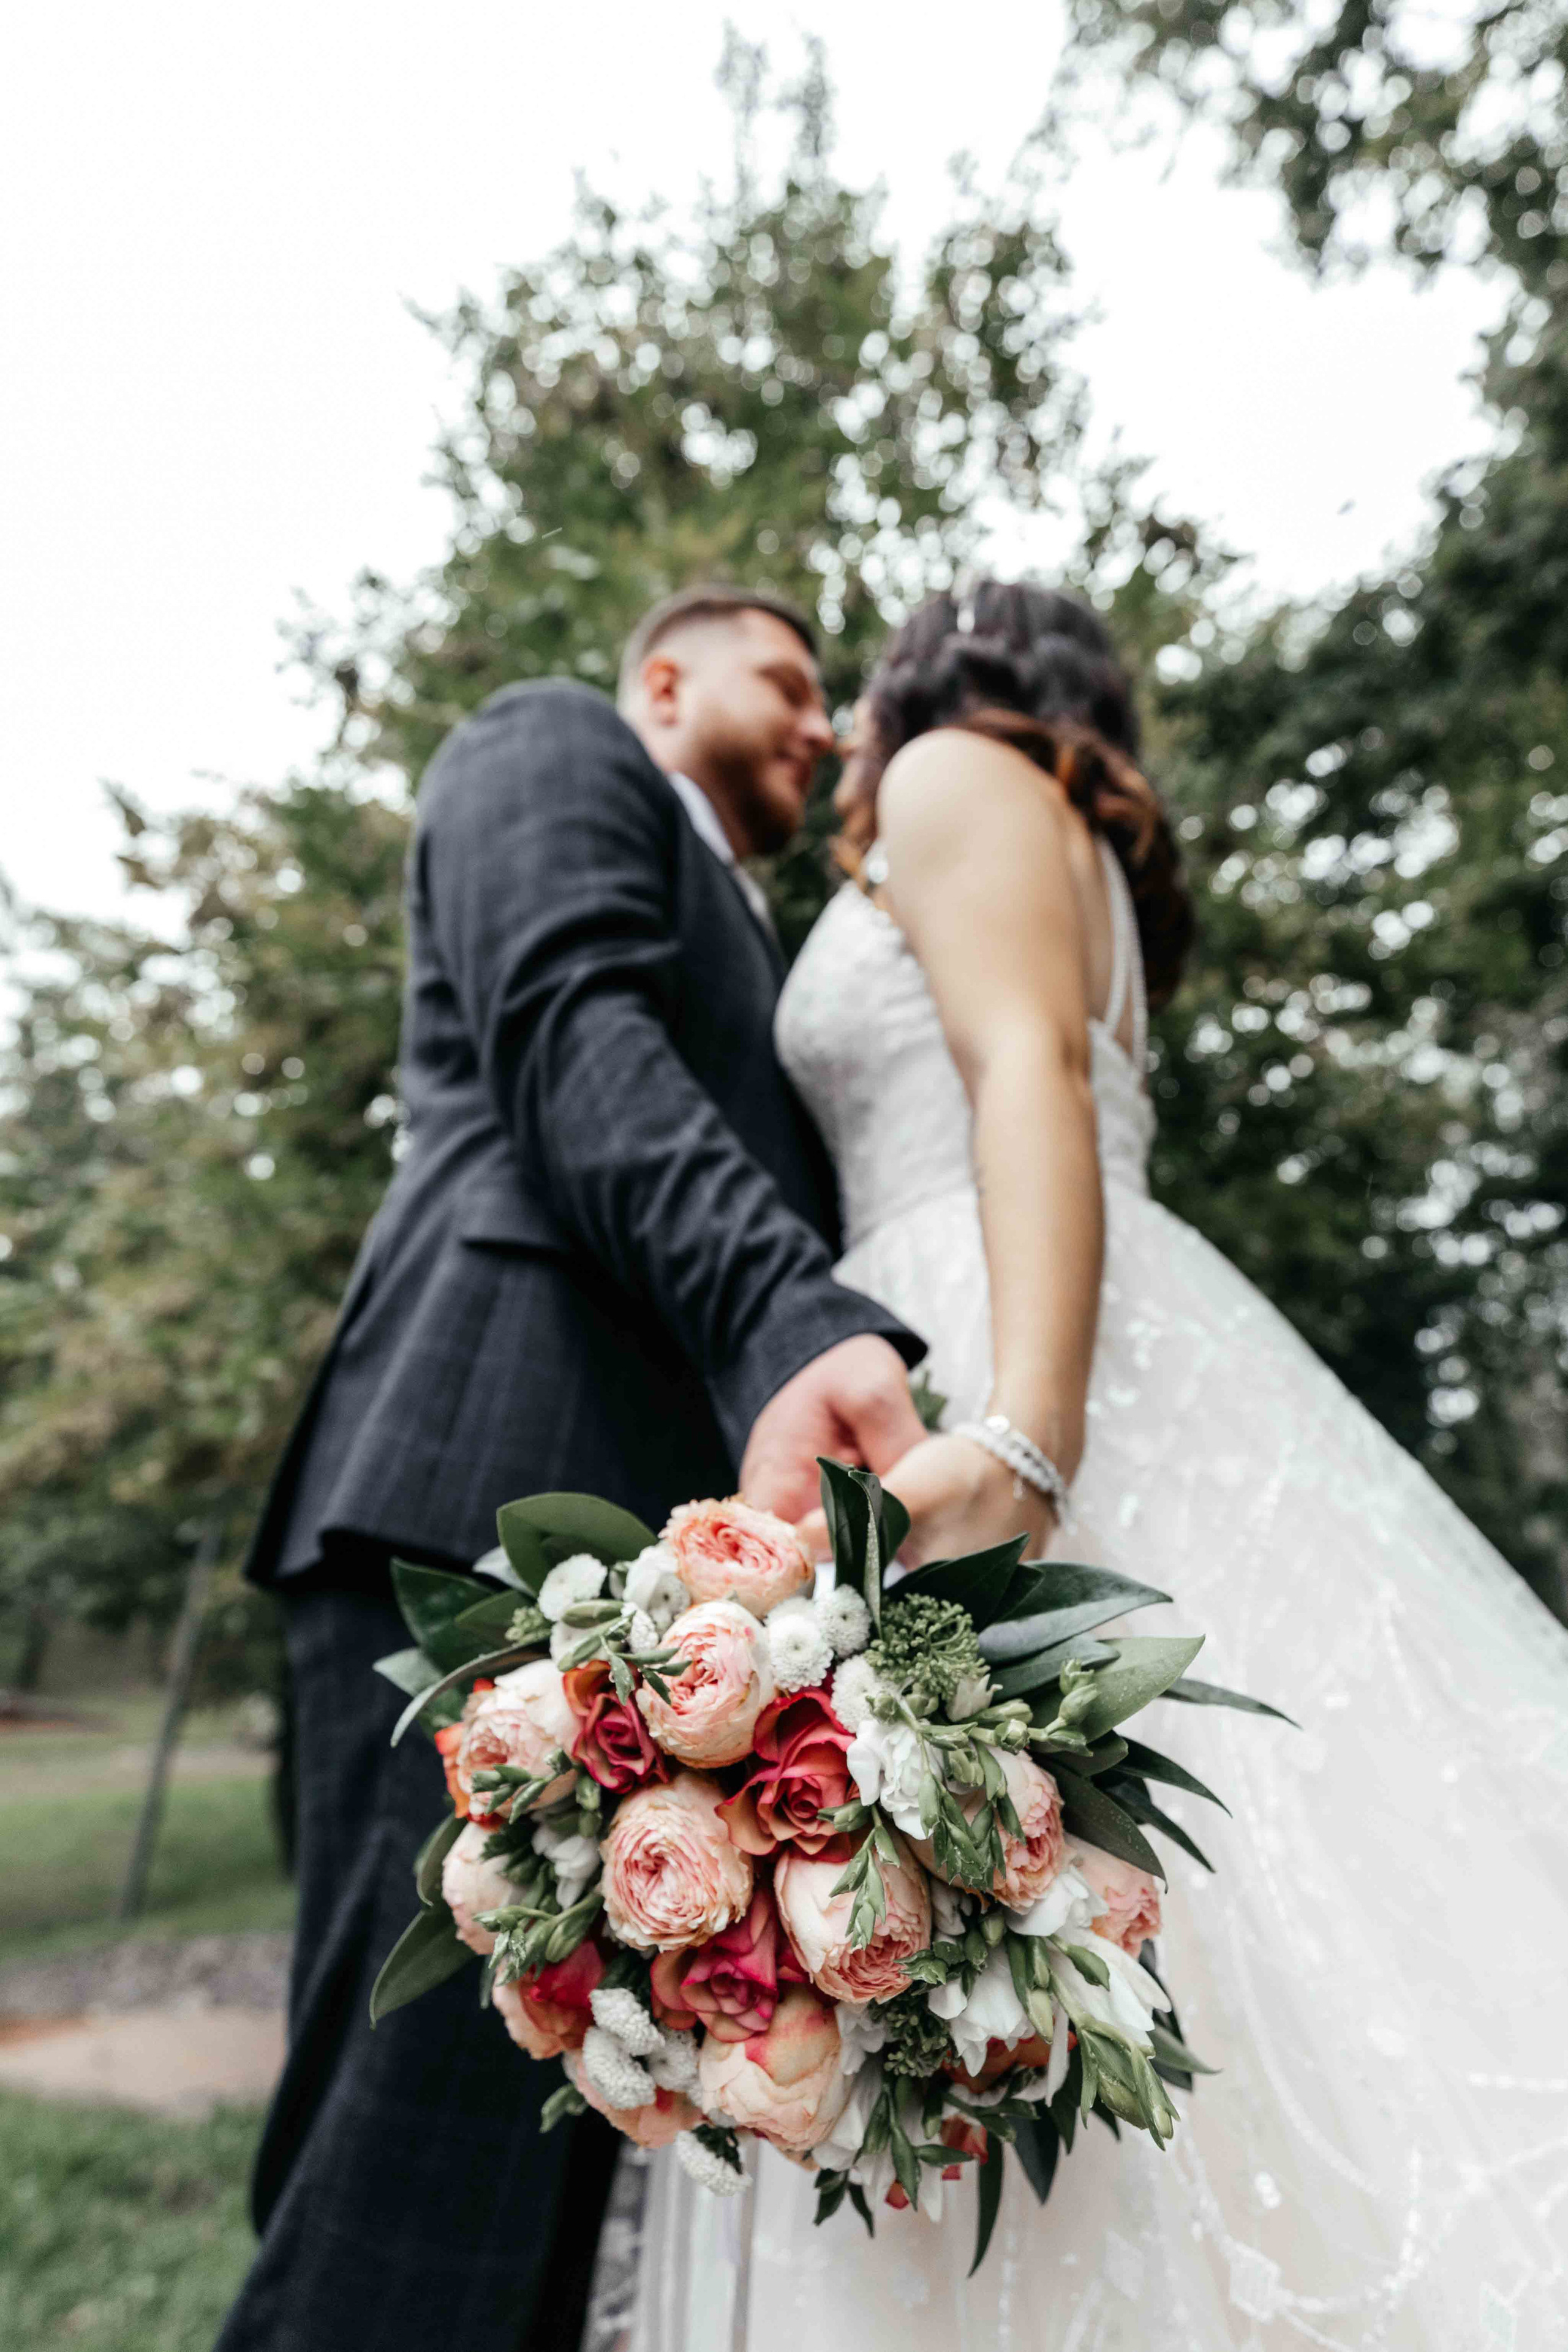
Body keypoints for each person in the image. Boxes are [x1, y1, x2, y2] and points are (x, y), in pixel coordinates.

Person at [625, 579, 1568, 2350]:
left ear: (928, 686)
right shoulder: (1084, 851)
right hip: (1115, 1316)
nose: (835, 739)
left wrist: (1019, 1438)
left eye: (857, 693)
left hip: (994, 1329)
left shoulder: (954, 779)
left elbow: (1024, 1074)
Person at [217, 583, 927, 2352]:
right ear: (663, 675)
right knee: (411, 2192)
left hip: (639, 1591)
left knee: (537, 2218)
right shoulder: (550, 742)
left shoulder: (755, 946)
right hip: (474, 1502)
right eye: (789, 681)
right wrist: (787, 1308)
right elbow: (572, 1043)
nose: (824, 724)